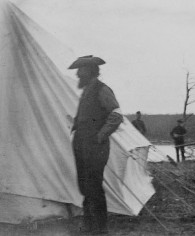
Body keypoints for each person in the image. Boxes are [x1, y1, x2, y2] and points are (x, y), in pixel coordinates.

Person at [69, 55, 123, 234]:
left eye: (80, 70)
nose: (77, 74)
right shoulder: (86, 92)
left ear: (89, 71)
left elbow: (116, 116)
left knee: (94, 186)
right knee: (85, 185)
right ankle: (89, 226)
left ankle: (100, 230)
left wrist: (100, 136)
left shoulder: (102, 89)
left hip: (95, 147)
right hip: (82, 146)